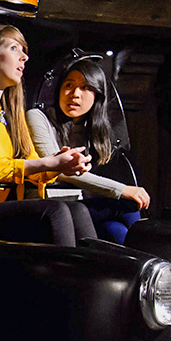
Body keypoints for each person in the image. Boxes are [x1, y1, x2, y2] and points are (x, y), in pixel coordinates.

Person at [0, 24, 95, 246]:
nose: (24, 57)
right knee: (56, 211)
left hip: (5, 206)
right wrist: (47, 163)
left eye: (24, 51)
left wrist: (59, 165)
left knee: (79, 210)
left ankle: (90, 277)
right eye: (15, 48)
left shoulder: (12, 110)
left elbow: (34, 168)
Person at [29, 56, 151, 243]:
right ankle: (154, 265)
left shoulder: (91, 129)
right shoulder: (38, 117)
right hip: (46, 206)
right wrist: (121, 189)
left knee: (116, 230)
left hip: (76, 206)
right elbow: (60, 171)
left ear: (97, 96)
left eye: (86, 87)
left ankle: (145, 268)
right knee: (128, 203)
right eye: (69, 85)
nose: (75, 94)